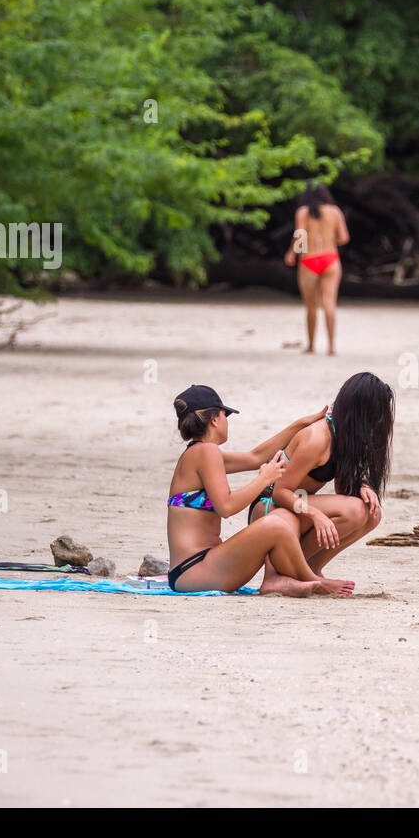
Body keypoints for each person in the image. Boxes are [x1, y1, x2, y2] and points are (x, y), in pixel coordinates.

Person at [166, 384, 354, 596]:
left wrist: (300, 424)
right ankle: (312, 579)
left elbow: (256, 457)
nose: (227, 421)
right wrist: (264, 480)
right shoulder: (206, 452)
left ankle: (283, 580)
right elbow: (226, 507)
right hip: (194, 571)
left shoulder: (200, 453)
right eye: (225, 415)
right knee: (276, 523)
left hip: (200, 566)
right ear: (215, 419)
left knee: (278, 522)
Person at [248, 372, 393, 582]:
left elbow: (342, 490)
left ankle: (310, 568)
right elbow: (281, 492)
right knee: (355, 510)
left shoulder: (343, 434)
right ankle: (286, 569)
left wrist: (362, 485)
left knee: (371, 514)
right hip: (269, 506)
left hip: (295, 505)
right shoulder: (317, 439)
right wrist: (315, 514)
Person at [283, 182, 349, 355]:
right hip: (330, 259)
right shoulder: (335, 211)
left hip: (309, 260)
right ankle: (331, 346)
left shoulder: (303, 212)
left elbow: (301, 236)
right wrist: (329, 240)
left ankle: (312, 346)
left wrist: (292, 253)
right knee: (329, 303)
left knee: (311, 306)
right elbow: (344, 238)